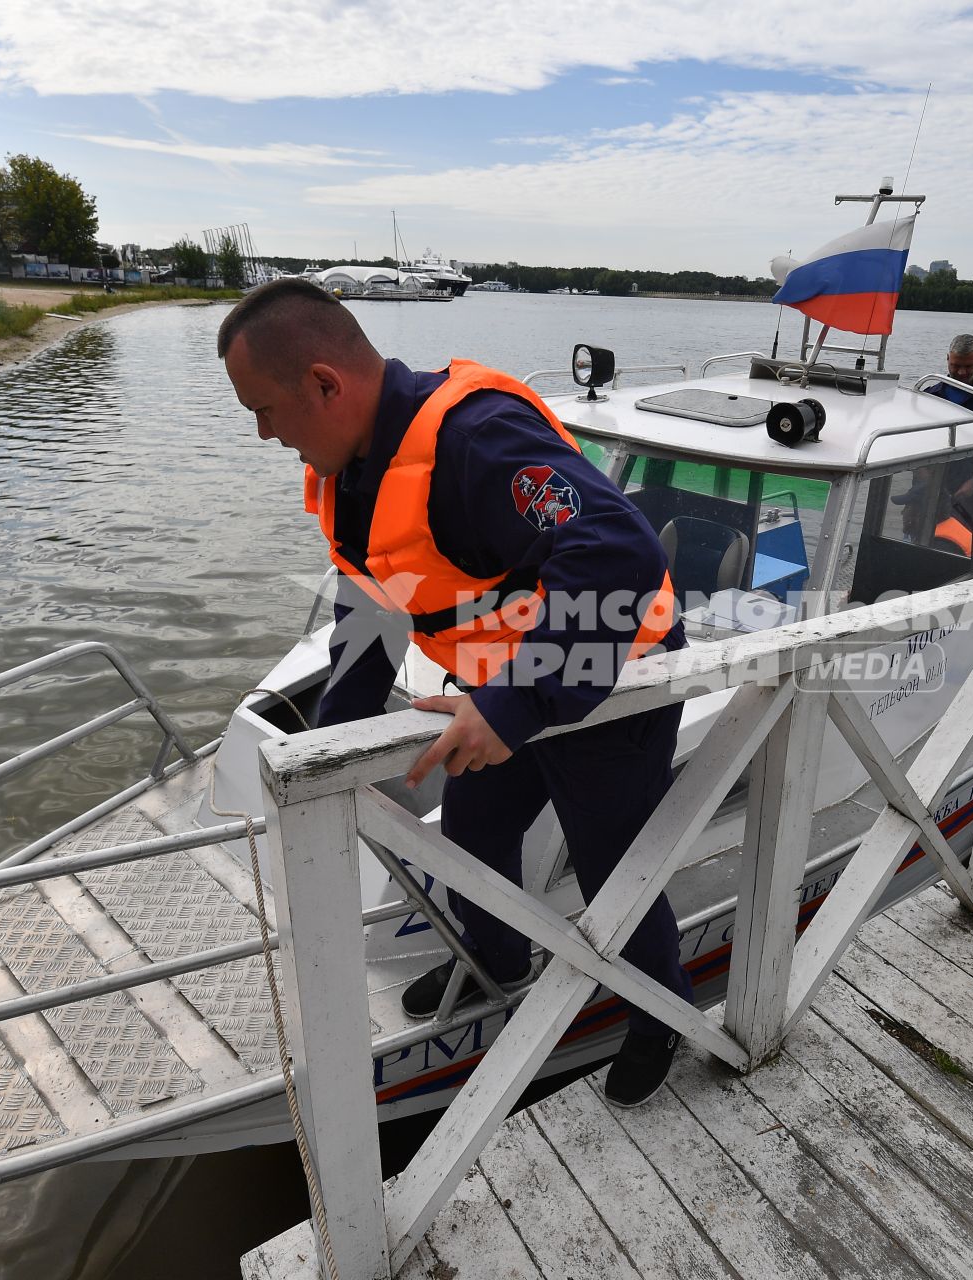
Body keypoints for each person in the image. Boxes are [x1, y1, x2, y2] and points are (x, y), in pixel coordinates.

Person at [217, 278, 693, 1107]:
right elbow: (373, 600)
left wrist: (514, 703)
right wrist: (338, 739)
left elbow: (619, 550)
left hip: (608, 685)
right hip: (506, 694)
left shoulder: (476, 439)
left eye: (264, 409)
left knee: (612, 868)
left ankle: (662, 1014)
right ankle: (501, 958)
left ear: (326, 385)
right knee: (475, 826)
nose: (264, 434)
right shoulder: (353, 471)